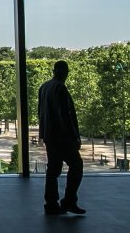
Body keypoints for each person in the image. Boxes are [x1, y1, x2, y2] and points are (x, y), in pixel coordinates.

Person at [38, 61, 85, 216]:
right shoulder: (60, 88)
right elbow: (65, 115)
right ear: (65, 72)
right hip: (62, 137)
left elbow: (41, 114)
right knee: (76, 165)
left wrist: (42, 134)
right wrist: (74, 136)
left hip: (50, 135)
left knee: (53, 170)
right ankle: (69, 200)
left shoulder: (44, 87)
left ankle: (51, 203)